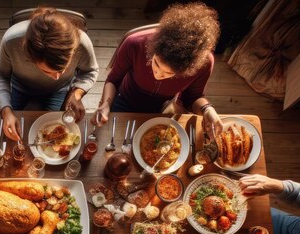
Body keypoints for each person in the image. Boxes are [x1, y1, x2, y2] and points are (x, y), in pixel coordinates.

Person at [93, 2, 222, 138]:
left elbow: (193, 97)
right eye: (156, 63)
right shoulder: (135, 44)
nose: (158, 75)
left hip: (163, 107)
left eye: (169, 73)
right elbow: (113, 80)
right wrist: (106, 104)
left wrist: (208, 109)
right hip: (125, 99)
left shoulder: (204, 64)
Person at [0, 7, 99, 141]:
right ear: (29, 55)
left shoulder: (82, 42)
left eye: (63, 69)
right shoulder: (11, 41)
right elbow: (0, 75)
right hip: (19, 87)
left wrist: (76, 92)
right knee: (7, 135)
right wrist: (6, 111)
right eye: (46, 71)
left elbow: (90, 71)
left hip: (58, 91)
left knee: (52, 135)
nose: (57, 77)